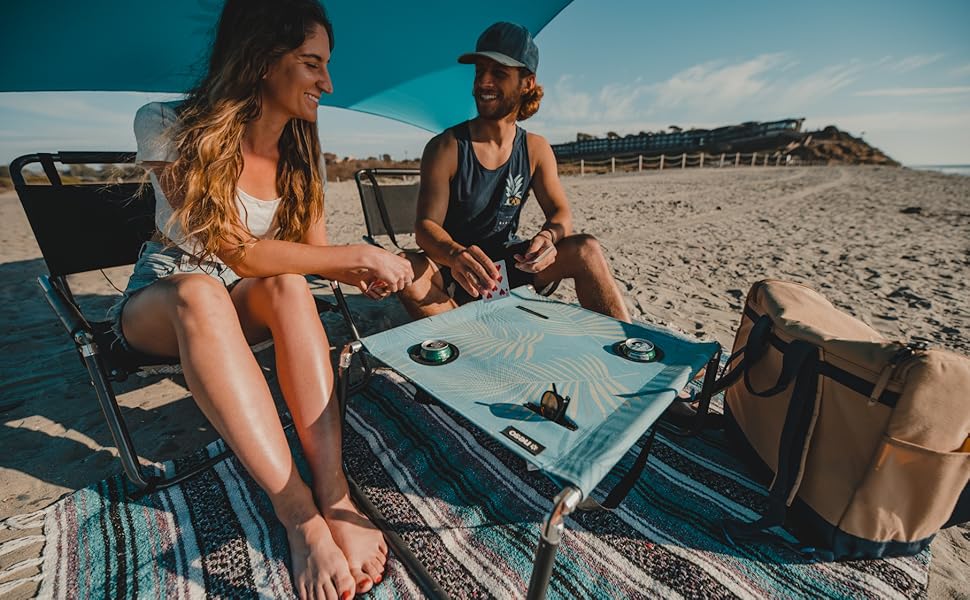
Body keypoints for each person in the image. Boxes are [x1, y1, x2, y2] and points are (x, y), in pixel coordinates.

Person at [107, 1, 412, 597]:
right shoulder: (167, 121)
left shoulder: (301, 152)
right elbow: (234, 249)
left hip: (240, 297)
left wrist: (361, 273)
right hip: (167, 294)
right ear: (262, 60)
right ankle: (297, 514)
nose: (328, 82)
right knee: (201, 292)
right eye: (311, 63)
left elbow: (307, 260)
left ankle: (334, 492)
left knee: (288, 284)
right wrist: (356, 255)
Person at [397, 22, 632, 323]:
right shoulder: (446, 147)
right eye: (479, 71)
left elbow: (561, 213)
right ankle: (466, 333)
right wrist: (456, 255)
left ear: (527, 83)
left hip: (510, 270)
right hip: (454, 271)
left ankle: (629, 346)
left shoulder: (535, 148)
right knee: (407, 268)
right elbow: (426, 227)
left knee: (586, 248)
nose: (483, 82)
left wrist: (549, 237)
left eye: (498, 73)